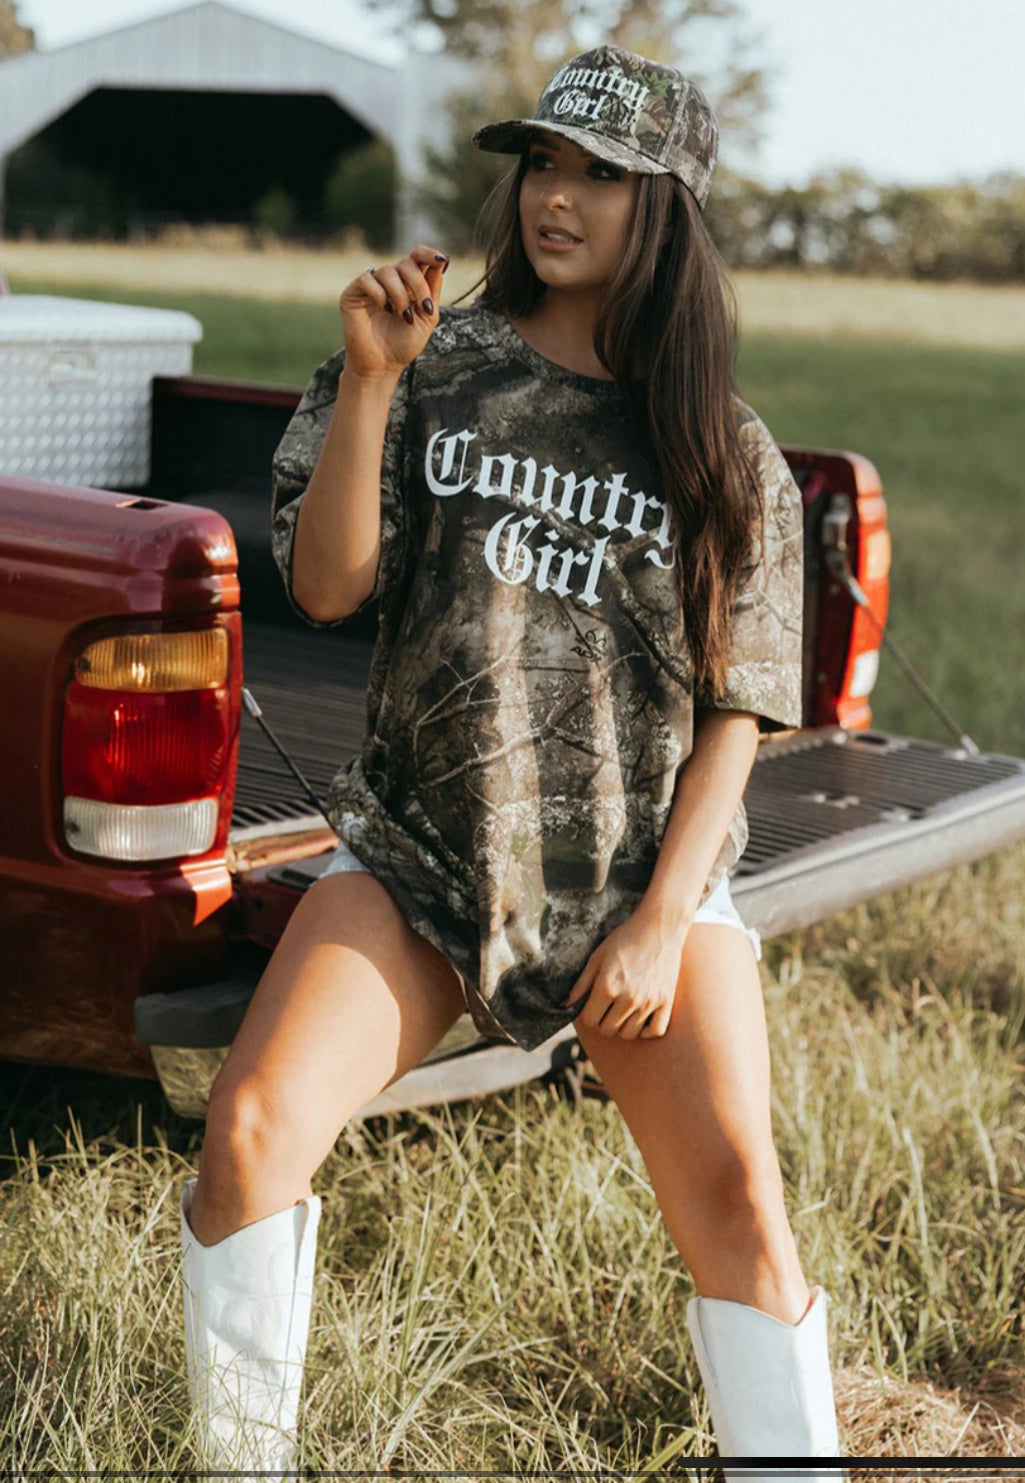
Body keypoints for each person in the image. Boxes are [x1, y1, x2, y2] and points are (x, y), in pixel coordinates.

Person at [177, 43, 842, 1478]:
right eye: (544, 161)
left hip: (638, 879)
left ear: (667, 210)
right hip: (426, 855)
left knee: (740, 1204)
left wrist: (662, 920)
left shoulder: (721, 446)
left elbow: (737, 709)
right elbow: (328, 588)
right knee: (250, 1130)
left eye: (603, 175)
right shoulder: (434, 366)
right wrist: (373, 384)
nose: (559, 197)